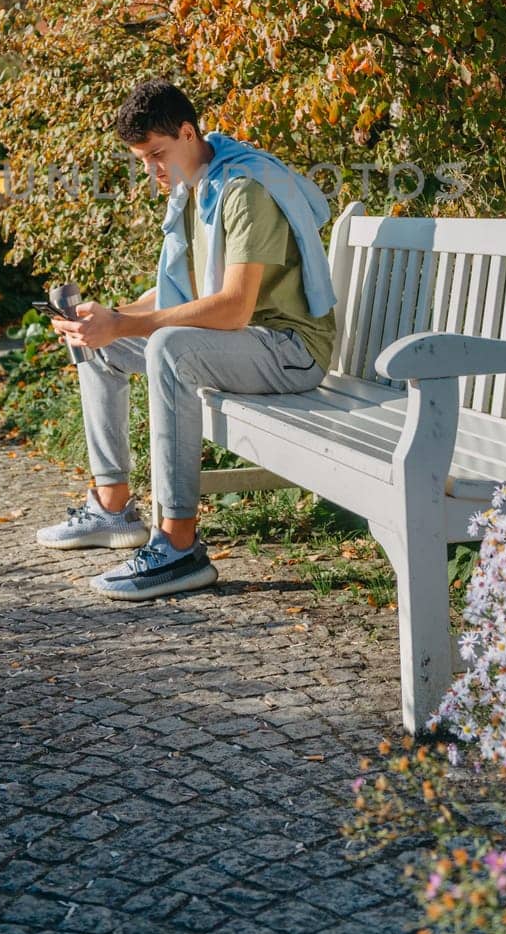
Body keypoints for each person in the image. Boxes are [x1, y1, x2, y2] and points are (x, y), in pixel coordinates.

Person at [35, 78, 339, 599]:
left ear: (187, 131)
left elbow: (233, 307)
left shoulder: (243, 189)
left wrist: (127, 325)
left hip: (290, 350)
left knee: (168, 348)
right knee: (98, 344)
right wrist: (107, 320)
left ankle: (178, 546)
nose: (152, 169)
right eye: (142, 160)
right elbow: (185, 290)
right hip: (244, 346)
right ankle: (112, 509)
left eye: (157, 154)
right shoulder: (199, 186)